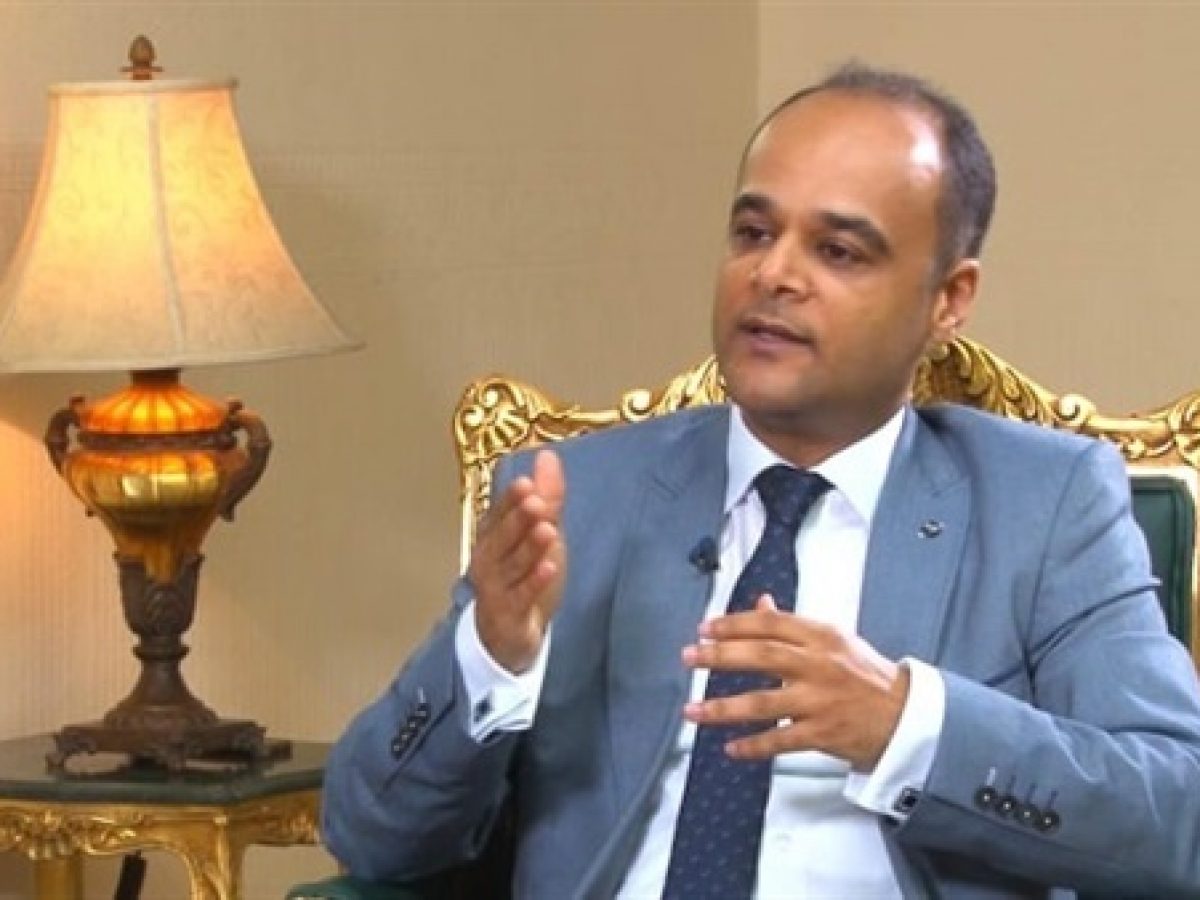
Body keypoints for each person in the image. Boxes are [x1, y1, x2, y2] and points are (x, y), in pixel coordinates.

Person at [322, 63, 1200, 899]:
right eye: (752, 232)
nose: (772, 274)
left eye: (839, 250)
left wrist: (906, 725)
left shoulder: (1043, 505)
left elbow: (1179, 815)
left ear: (949, 298)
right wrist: (488, 657)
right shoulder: (579, 499)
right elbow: (369, 837)